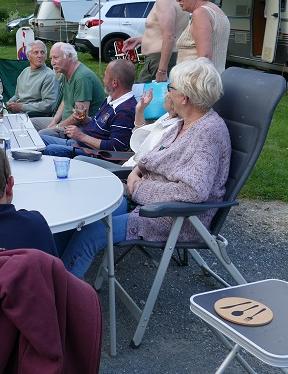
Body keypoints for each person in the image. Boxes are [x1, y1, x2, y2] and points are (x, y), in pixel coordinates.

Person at [55, 58, 231, 278]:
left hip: (171, 217)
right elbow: (150, 155)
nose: (167, 92)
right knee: (81, 217)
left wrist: (139, 188)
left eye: (171, 87)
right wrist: (136, 172)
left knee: (90, 234)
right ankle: (48, 273)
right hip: (142, 200)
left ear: (185, 98)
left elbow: (193, 192)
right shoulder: (182, 123)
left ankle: (60, 292)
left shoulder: (207, 134)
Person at [40, 59, 136, 157]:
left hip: (91, 153)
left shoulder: (125, 111)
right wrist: (84, 119)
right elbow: (100, 126)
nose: (103, 79)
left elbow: (115, 148)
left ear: (114, 82)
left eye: (105, 76)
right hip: (79, 144)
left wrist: (82, 137)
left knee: (50, 149)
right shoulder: (111, 100)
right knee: (39, 140)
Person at [122, 0, 189, 83]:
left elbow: (169, 36)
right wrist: (140, 39)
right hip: (170, 58)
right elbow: (170, 32)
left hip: (158, 60)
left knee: (147, 94)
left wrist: (161, 70)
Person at [31, 42, 106, 131]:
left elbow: (79, 117)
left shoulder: (82, 77)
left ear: (69, 56)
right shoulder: (65, 73)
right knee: (29, 123)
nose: (52, 63)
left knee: (43, 134)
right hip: (64, 121)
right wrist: (54, 121)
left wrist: (57, 127)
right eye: (51, 58)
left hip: (80, 128)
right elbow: (65, 101)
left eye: (56, 58)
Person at [174, 0, 230, 74]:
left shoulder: (200, 13)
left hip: (196, 80)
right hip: (214, 76)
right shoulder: (216, 10)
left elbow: (205, 57)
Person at [124, 84, 181, 168]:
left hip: (135, 170)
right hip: (131, 165)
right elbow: (143, 142)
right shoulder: (167, 117)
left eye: (170, 89)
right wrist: (140, 111)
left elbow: (146, 153)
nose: (166, 93)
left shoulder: (175, 126)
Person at [4, 40, 59, 117]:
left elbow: (48, 105)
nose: (40, 55)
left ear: (46, 56)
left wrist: (22, 107)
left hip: (34, 116)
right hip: (19, 113)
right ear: (28, 56)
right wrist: (11, 102)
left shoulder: (49, 76)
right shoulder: (25, 72)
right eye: (36, 52)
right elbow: (18, 95)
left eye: (42, 52)